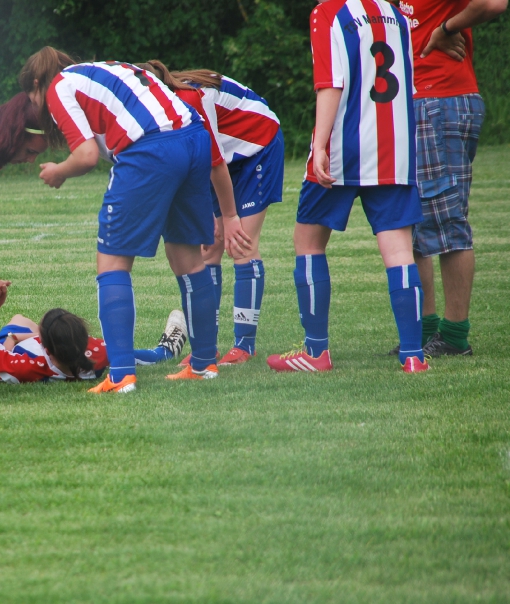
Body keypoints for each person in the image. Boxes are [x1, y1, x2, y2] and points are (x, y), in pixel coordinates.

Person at [19, 47, 252, 393]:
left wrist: (58, 171)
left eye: (31, 99)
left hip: (149, 149)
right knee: (187, 259)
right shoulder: (112, 69)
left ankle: (122, 375)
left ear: (37, 82)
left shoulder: (58, 86)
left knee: (111, 261)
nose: (37, 108)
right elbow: (212, 155)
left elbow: (86, 155)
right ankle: (204, 364)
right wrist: (230, 214)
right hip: (193, 138)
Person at [267, 0, 428, 374]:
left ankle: (316, 353)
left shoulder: (329, 12)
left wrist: (320, 143)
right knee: (399, 248)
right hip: (395, 146)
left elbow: (330, 84)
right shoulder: (395, 13)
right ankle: (414, 356)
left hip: (345, 144)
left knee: (307, 242)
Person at [140, 60, 284, 366]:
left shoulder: (190, 100)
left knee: (241, 243)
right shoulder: (157, 111)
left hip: (259, 146)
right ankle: (207, 345)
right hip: (222, 161)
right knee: (208, 247)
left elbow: (215, 161)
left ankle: (245, 344)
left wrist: (229, 218)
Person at [390, 0, 507, 357]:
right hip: (417, 101)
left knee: (446, 218)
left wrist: (445, 28)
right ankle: (425, 331)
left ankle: (455, 336)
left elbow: (492, 3)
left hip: (440, 99)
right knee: (412, 218)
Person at [0, 309, 187, 384]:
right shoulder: (99, 352)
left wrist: (12, 336)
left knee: (18, 318)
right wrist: (165, 351)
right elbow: (147, 356)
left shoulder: (29, 364)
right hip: (46, 350)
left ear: (45, 347)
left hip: (6, 351)